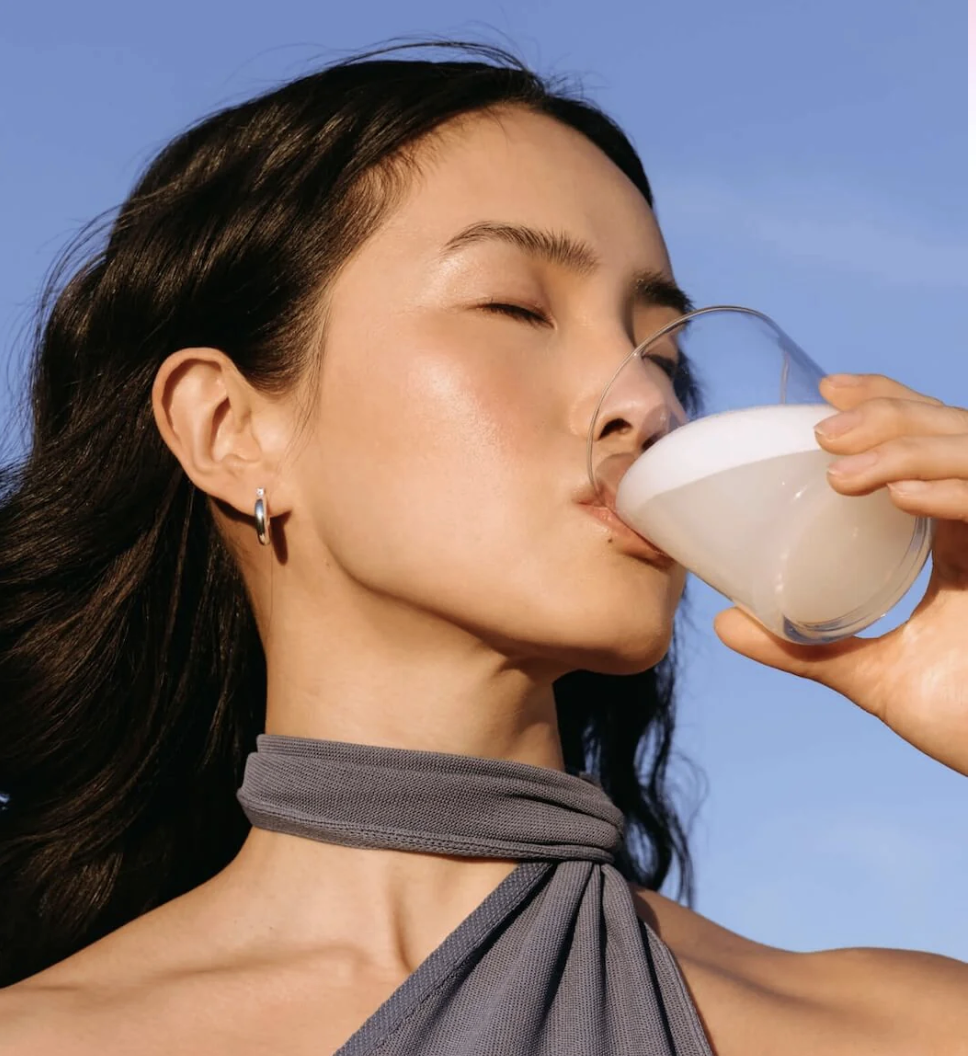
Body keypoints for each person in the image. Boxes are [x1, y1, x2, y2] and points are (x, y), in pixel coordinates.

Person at [0, 41, 966, 1056]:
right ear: (228, 428)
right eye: (514, 307)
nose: (645, 402)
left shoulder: (907, 1026)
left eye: (669, 358)